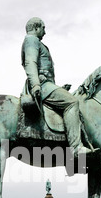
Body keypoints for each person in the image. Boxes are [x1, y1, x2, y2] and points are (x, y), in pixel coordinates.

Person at [21, 17, 95, 158]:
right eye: (43, 28)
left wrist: (58, 88)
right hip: (43, 85)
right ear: (37, 27)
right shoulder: (31, 40)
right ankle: (76, 148)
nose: (45, 32)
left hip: (47, 85)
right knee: (72, 102)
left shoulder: (35, 42)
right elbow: (31, 62)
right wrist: (36, 85)